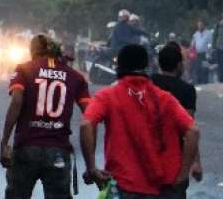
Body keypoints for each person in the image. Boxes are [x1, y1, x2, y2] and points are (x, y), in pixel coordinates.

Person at [80, 44, 201, 198]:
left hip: (125, 186)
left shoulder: (107, 96)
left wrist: (91, 168)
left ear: (118, 66)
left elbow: (86, 124)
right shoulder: (165, 98)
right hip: (164, 187)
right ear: (147, 65)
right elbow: (193, 130)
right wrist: (183, 174)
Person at [0, 35, 90, 199]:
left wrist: (5, 142)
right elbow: (91, 114)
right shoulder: (75, 76)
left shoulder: (24, 69)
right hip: (58, 151)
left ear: (33, 51)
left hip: (26, 148)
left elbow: (16, 101)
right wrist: (91, 165)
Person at [152, 42, 201, 199]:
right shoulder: (186, 90)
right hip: (174, 164)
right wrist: (195, 163)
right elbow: (189, 130)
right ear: (179, 65)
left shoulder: (147, 84)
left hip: (145, 160)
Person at [189, 21, 211, 85]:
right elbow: (192, 44)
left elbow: (210, 43)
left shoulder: (208, 33)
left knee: (205, 68)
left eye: (201, 25)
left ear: (203, 25)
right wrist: (191, 48)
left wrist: (209, 52)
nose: (200, 27)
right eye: (198, 25)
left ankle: (206, 83)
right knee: (198, 68)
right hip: (197, 54)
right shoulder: (195, 34)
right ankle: (199, 83)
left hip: (205, 54)